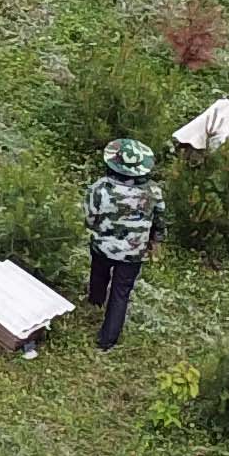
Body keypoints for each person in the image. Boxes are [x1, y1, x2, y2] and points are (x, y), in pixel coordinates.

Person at [83, 136, 161, 351]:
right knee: (121, 292)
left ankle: (95, 301)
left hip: (103, 246)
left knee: (99, 273)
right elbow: (160, 220)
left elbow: (90, 219)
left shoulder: (99, 188)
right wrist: (155, 240)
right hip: (134, 252)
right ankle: (107, 340)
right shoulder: (153, 191)